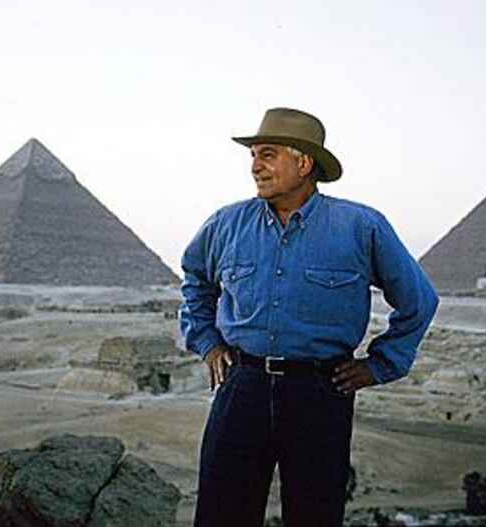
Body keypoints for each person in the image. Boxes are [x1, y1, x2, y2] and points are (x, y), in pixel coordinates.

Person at [179, 107, 439, 527]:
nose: (255, 166)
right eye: (252, 156)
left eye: (267, 154)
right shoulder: (226, 223)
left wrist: (379, 365)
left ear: (303, 163)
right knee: (220, 515)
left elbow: (419, 300)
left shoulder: (360, 226)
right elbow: (195, 281)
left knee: (315, 516)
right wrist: (207, 341)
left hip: (320, 393)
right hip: (241, 387)